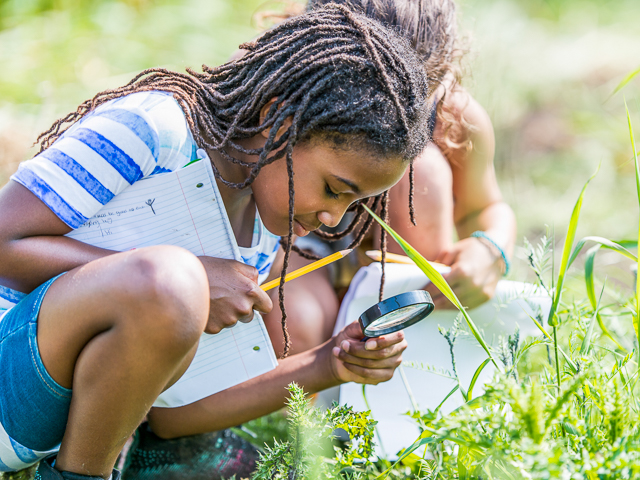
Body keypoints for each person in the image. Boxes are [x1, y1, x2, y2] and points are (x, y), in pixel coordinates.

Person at [0, 5, 432, 479]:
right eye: (334, 188)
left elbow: (169, 415)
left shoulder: (263, 228)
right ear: (279, 120)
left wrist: (329, 363)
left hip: (45, 431)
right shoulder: (156, 129)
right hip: (12, 377)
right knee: (171, 281)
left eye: (354, 204)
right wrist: (189, 279)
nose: (334, 217)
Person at [263, 0, 517, 356]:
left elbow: (486, 206)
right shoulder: (276, 86)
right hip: (296, 244)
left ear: (439, 77)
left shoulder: (453, 116)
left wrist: (490, 249)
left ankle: (410, 367)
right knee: (295, 321)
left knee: (422, 173)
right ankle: (311, 396)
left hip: (394, 257)